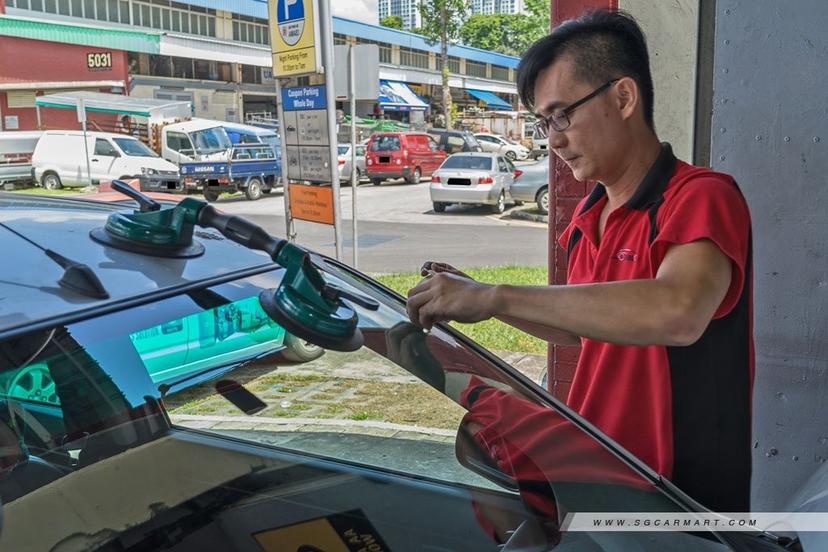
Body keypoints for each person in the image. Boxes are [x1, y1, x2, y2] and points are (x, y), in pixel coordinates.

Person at [406, 10, 753, 513]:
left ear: (624, 97)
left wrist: (494, 295)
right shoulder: (589, 218)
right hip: (599, 479)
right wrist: (477, 296)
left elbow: (678, 311)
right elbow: (576, 331)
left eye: (562, 115)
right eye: (543, 122)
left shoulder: (700, 197)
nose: (553, 139)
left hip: (681, 501)